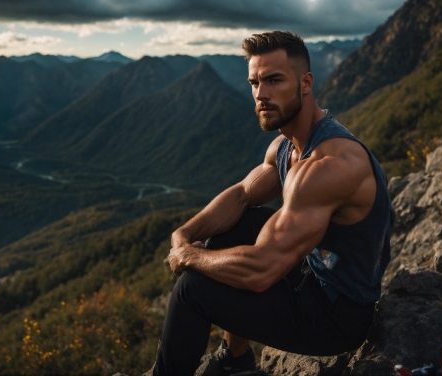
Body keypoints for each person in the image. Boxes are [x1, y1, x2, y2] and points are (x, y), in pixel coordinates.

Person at [151, 31, 395, 376]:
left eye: (274, 80)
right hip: (312, 277)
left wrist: (189, 256)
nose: (261, 94)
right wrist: (184, 233)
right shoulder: (286, 147)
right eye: (254, 83)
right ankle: (235, 360)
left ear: (305, 83)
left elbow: (262, 270)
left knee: (193, 289)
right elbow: (241, 195)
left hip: (338, 317)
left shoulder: (330, 165)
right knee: (234, 229)